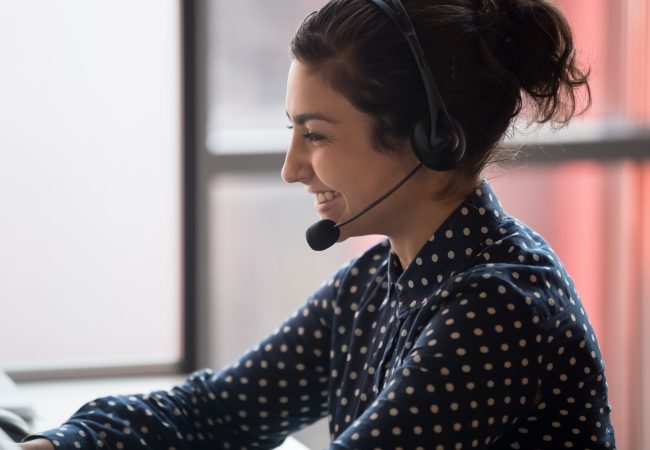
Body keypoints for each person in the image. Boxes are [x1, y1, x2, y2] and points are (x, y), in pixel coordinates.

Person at [21, 0, 617, 448]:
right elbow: (216, 411)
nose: (291, 169)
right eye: (293, 131)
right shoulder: (375, 284)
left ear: (430, 141)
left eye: (317, 135)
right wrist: (60, 442)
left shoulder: (500, 308)